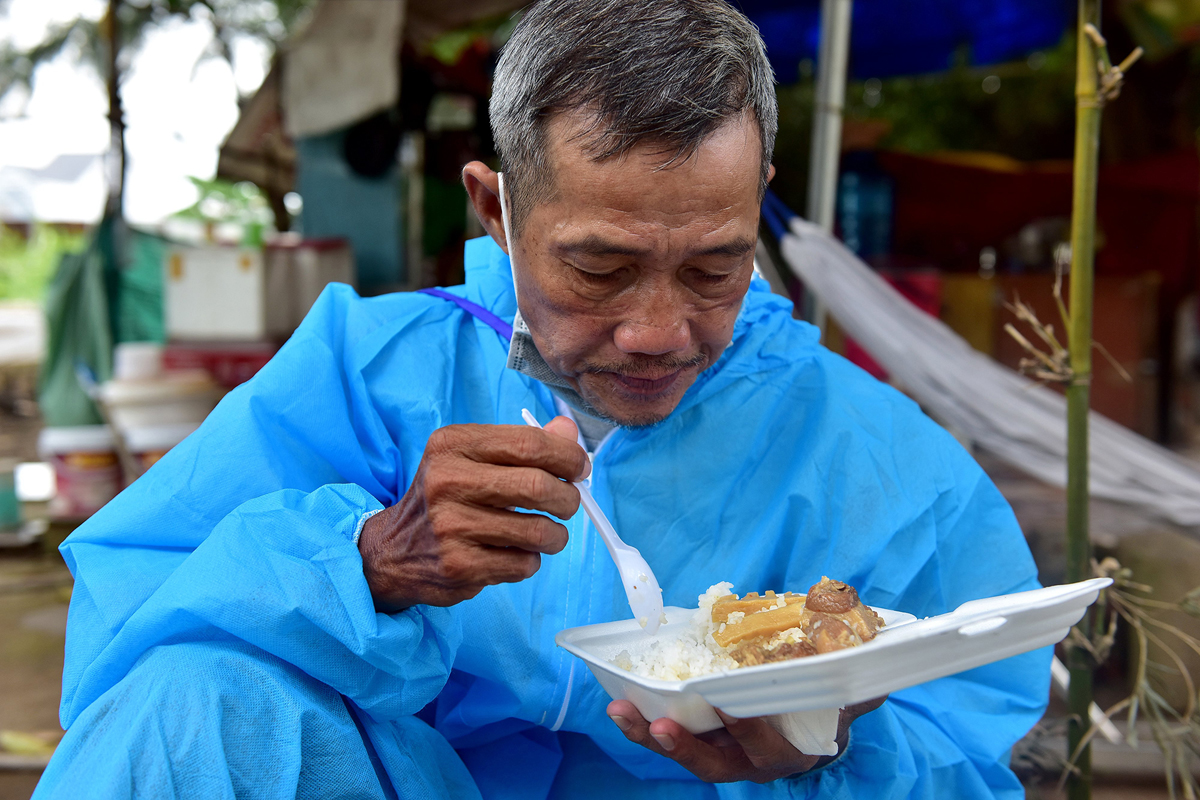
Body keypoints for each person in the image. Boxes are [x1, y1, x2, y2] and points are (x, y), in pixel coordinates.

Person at [34, 1, 1049, 797]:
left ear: (757, 206)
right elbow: (135, 626)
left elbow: (969, 743)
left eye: (714, 266)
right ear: (496, 208)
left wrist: (824, 750)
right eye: (599, 268)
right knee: (188, 702)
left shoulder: (868, 450)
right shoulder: (368, 369)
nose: (657, 330)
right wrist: (369, 563)